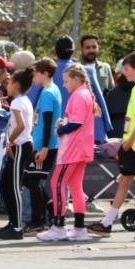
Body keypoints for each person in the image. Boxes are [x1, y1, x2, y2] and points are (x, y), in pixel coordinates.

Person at [87, 51, 135, 242]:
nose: (124, 73)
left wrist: (130, 142)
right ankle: (106, 223)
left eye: (127, 69)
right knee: (125, 180)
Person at [37, 63, 96, 242]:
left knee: (57, 183)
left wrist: (60, 130)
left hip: (72, 149)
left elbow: (76, 123)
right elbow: (78, 121)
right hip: (81, 149)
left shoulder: (78, 95)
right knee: (75, 186)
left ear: (76, 79)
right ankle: (79, 228)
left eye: (66, 81)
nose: (64, 85)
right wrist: (64, 124)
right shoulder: (85, 94)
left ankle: (59, 226)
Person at [0, 68, 35, 239]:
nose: (7, 85)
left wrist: (9, 142)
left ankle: (17, 227)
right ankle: (12, 222)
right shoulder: (23, 100)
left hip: (21, 146)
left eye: (9, 83)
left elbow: (21, 126)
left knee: (14, 187)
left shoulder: (17, 102)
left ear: (16, 85)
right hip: (20, 146)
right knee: (5, 184)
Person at [25, 57, 62, 233]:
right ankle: (48, 210)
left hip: (43, 145)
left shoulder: (48, 93)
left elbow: (48, 122)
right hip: (44, 143)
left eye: (36, 74)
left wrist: (45, 148)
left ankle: (39, 219)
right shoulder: (52, 90)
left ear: (45, 74)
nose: (34, 78)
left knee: (33, 180)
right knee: (33, 180)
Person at [54, 35, 113, 142]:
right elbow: (100, 99)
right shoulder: (87, 70)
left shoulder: (47, 71)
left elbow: (32, 99)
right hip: (88, 131)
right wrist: (107, 126)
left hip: (56, 131)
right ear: (73, 51)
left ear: (56, 51)